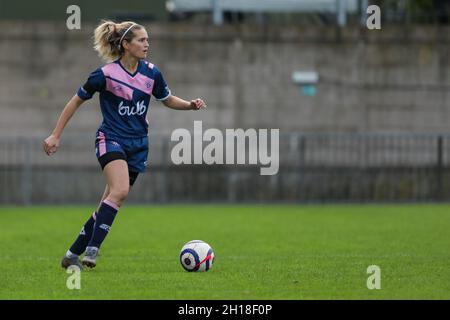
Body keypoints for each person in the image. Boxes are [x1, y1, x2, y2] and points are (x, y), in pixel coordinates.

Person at [43, 20, 206, 269]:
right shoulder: (105, 75)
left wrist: (189, 105)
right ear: (126, 45)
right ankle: (93, 250)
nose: (147, 44)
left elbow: (167, 98)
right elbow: (75, 101)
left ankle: (72, 254)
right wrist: (55, 135)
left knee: (108, 202)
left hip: (139, 145)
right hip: (110, 139)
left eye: (147, 40)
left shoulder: (152, 73)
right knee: (120, 191)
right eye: (142, 40)